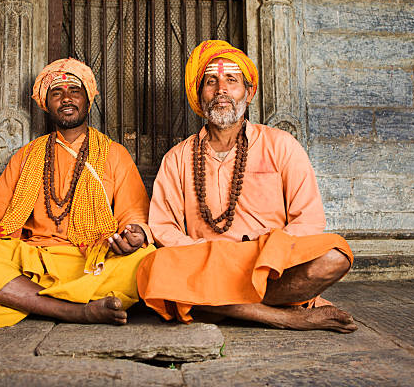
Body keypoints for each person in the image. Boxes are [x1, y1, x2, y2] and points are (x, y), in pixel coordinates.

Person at [136, 40, 357, 333]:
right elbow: (163, 227)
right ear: (199, 94)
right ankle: (283, 316)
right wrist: (206, 253)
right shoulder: (177, 158)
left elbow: (310, 219)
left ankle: (220, 306)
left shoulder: (281, 145)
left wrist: (266, 251)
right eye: (211, 81)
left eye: (232, 80)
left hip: (268, 261)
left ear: (249, 92)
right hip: (207, 262)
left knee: (335, 255)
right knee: (153, 267)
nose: (221, 90)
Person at [0, 58, 155, 328]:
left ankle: (31, 301)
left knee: (146, 259)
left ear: (88, 100)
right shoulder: (27, 155)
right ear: (46, 104)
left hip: (92, 258)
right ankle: (75, 311)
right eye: (56, 93)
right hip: (34, 258)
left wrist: (133, 234)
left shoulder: (114, 154)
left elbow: (133, 212)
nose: (66, 98)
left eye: (74, 91)